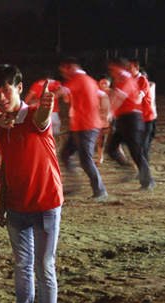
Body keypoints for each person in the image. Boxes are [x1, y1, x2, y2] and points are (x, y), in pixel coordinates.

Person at [0, 64, 63, 303]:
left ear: (19, 87)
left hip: (45, 204)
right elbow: (6, 163)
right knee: (22, 265)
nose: (1, 96)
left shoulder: (33, 116)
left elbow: (42, 119)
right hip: (16, 208)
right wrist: (3, 202)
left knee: (45, 268)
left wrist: (46, 106)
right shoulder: (3, 125)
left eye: (6, 89)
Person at [59, 58, 107, 200]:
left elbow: (60, 91)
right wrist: (104, 115)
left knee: (85, 160)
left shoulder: (78, 79)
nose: (64, 75)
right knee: (66, 154)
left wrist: (43, 100)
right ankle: (74, 186)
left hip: (86, 127)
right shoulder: (90, 80)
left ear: (70, 68)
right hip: (81, 126)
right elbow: (104, 96)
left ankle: (100, 191)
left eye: (64, 71)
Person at [107, 58, 155, 191]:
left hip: (131, 119)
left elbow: (120, 97)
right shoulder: (120, 79)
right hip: (124, 119)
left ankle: (148, 180)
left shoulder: (125, 79)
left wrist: (109, 113)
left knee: (136, 152)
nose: (111, 71)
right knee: (111, 149)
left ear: (120, 67)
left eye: (113, 68)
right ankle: (129, 170)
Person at [129, 58, 157, 162]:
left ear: (136, 68)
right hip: (137, 119)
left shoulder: (142, 80)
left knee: (143, 148)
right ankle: (142, 166)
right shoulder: (130, 81)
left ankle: (144, 168)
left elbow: (138, 99)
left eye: (130, 67)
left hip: (146, 118)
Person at [96, 75, 113, 164]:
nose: (103, 84)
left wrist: (111, 113)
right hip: (100, 118)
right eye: (102, 82)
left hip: (111, 118)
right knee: (101, 138)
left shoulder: (112, 93)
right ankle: (100, 157)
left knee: (114, 138)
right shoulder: (96, 92)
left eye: (105, 83)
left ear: (109, 83)